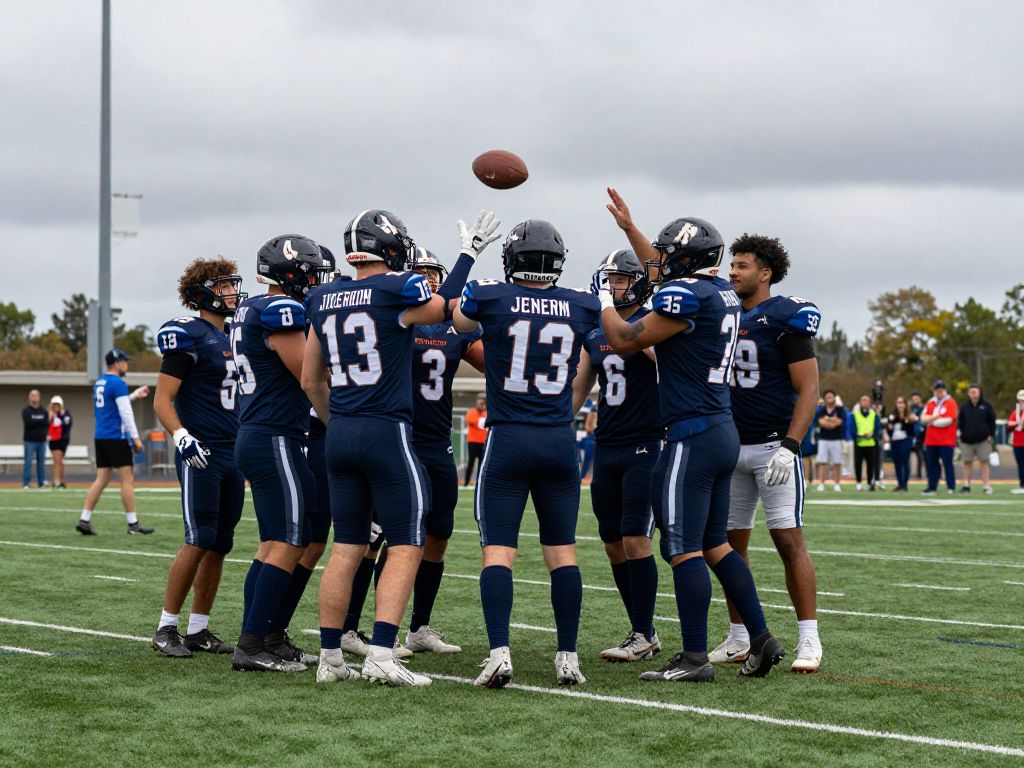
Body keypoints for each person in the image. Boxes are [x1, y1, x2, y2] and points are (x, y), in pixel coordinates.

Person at [305, 209, 497, 687]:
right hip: (385, 431)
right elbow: (445, 305)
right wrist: (468, 254)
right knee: (409, 542)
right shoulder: (396, 288)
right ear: (390, 247)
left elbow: (311, 380)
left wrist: (339, 421)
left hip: (341, 430)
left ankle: (330, 658)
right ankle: (382, 654)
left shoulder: (321, 298)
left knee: (346, 546)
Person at [601, 188, 784, 683]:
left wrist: (603, 300)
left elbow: (622, 338)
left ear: (682, 258)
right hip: (721, 427)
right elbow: (665, 272)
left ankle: (694, 657)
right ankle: (762, 638)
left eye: (665, 254)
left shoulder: (688, 295)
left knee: (681, 547)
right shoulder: (718, 292)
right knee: (715, 545)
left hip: (690, 433)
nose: (655, 263)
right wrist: (630, 230)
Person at [453, 218, 599, 689]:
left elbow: (453, 320)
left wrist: (468, 256)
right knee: (563, 553)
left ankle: (499, 653)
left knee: (498, 551)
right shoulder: (581, 304)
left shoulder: (491, 295)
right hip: (559, 439)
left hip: (509, 438)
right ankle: (568, 657)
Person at [712, 233, 823, 673]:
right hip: (729, 444)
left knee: (788, 540)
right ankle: (740, 637)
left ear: (765, 272)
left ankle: (809, 638)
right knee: (728, 545)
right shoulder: (723, 311)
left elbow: (809, 389)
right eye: (732, 265)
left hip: (774, 445)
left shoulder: (784, 316)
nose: (732, 272)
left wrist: (790, 447)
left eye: (741, 265)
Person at [229, 234, 332, 673]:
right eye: (308, 272)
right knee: (287, 541)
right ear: (288, 273)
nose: (312, 281)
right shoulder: (279, 310)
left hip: (264, 433)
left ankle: (267, 635)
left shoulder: (250, 308)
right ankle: (251, 644)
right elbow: (309, 373)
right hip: (274, 436)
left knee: (277, 541)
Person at [151, 258, 247, 658]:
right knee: (199, 537)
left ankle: (198, 629)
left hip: (233, 450)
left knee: (221, 542)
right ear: (202, 293)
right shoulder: (189, 334)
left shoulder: (238, 336)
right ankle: (165, 627)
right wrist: (182, 435)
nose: (232, 292)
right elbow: (162, 399)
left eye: (231, 285)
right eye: (223, 286)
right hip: (201, 450)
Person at [572, 249, 663, 663]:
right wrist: (557, 424)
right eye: (609, 279)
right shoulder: (595, 330)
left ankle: (642, 632)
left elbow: (665, 361)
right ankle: (644, 630)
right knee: (612, 544)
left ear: (638, 281)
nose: (612, 286)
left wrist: (633, 331)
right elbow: (579, 387)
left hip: (647, 441)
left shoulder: (651, 320)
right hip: (608, 443)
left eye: (621, 279)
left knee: (636, 539)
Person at [403, 247, 484, 654]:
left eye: (435, 274)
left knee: (438, 536)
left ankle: (419, 627)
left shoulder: (454, 329)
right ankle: (355, 628)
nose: (430, 280)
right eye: (421, 273)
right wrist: (467, 256)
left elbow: (497, 362)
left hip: (435, 444)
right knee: (386, 537)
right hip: (399, 441)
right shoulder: (397, 318)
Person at [76, 350, 152, 535]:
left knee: (101, 479)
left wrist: (134, 395)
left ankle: (84, 519)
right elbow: (125, 413)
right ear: (117, 363)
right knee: (127, 479)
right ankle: (133, 524)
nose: (127, 365)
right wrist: (135, 437)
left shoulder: (100, 382)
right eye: (125, 362)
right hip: (115, 437)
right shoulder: (118, 383)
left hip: (100, 436)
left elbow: (114, 405)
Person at [958, 384, 996, 494]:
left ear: (980, 392)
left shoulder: (987, 406)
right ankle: (966, 485)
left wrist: (991, 435)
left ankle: (986, 485)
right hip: (966, 441)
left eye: (975, 391)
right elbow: (960, 422)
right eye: (971, 392)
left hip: (983, 440)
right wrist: (960, 434)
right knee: (967, 462)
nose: (973, 394)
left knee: (984, 462)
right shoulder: (964, 407)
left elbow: (992, 421)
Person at [921, 380, 957, 494]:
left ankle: (950, 486)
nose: (939, 392)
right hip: (931, 440)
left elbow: (948, 420)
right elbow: (923, 418)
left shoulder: (950, 402)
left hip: (946, 440)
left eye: (941, 390)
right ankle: (932, 486)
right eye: (937, 390)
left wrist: (932, 421)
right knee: (932, 464)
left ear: (944, 390)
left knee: (947, 464)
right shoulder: (930, 403)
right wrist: (934, 418)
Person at [814, 390, 845, 492]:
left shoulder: (840, 409)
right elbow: (821, 422)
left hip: (836, 439)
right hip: (824, 439)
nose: (830, 398)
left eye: (831, 396)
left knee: (837, 462)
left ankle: (836, 484)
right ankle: (821, 484)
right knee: (822, 462)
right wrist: (832, 421)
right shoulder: (821, 410)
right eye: (827, 397)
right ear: (825, 399)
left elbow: (839, 422)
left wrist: (828, 420)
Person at [852, 394, 881, 491]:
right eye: (863, 400)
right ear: (860, 402)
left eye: (867, 400)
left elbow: (877, 428)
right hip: (859, 443)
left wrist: (872, 435)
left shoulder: (874, 414)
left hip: (871, 443)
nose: (865, 402)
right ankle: (859, 483)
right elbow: (852, 428)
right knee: (858, 464)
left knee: (871, 465)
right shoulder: (855, 414)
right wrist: (859, 435)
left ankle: (870, 482)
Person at [886, 396, 914, 491]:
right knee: (897, 462)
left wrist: (906, 421)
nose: (900, 405)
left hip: (905, 440)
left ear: (905, 404)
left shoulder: (909, 416)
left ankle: (905, 484)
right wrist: (889, 429)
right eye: (898, 402)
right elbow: (889, 430)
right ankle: (900, 483)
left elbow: (912, 431)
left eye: (902, 403)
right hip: (895, 441)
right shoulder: (892, 416)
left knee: (905, 462)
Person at [22, 389, 48, 489]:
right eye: (32, 395)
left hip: (41, 441)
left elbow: (46, 423)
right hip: (29, 441)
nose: (34, 397)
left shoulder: (43, 411)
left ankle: (41, 482)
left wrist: (36, 420)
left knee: (41, 463)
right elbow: (29, 423)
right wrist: (39, 421)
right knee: (28, 462)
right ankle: (26, 483)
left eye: (36, 395)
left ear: (39, 397)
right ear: (29, 397)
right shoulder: (26, 411)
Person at [47, 396, 72, 489]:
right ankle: (59, 481)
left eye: (58, 405)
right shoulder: (51, 414)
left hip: (61, 440)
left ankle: (57, 481)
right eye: (54, 405)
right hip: (53, 440)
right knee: (57, 461)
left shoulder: (65, 414)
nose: (56, 407)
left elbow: (67, 424)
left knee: (58, 462)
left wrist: (61, 415)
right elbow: (47, 426)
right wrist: (50, 417)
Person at [464, 394, 488, 486]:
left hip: (483, 442)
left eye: (483, 400)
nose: (481, 402)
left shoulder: (487, 412)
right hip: (473, 442)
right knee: (471, 463)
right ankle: (466, 483)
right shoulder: (472, 412)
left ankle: (479, 482)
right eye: (480, 400)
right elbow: (471, 421)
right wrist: (482, 420)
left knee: (482, 464)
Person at [576, 399, 597, 484]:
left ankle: (583, 475)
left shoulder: (591, 405)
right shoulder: (572, 400)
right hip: (575, 434)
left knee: (590, 446)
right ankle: (578, 474)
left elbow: (590, 427)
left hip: (588, 436)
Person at [1007, 389, 1024, 495]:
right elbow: (1010, 424)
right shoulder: (1016, 412)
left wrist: (1019, 424)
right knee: (1021, 465)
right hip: (1017, 443)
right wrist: (1017, 423)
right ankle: (1022, 485)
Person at [909, 391, 925, 479]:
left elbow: (923, 421)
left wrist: (917, 419)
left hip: (920, 435)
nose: (915, 400)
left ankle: (919, 474)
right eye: (914, 399)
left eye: (917, 398)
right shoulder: (909, 409)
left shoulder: (923, 409)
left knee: (920, 455)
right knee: (908, 456)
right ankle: (908, 473)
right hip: (910, 434)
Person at [800, 416, 818, 489]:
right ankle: (806, 479)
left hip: (806, 436)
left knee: (806, 457)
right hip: (800, 434)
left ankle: (807, 479)